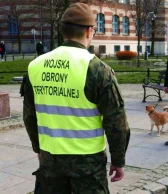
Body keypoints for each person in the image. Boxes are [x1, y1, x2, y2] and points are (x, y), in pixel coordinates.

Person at [21, 3, 130, 193]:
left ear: (63, 31)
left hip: (50, 160)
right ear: (89, 31)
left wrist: (38, 149)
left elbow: (29, 116)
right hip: (88, 165)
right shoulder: (98, 71)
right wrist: (118, 160)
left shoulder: (35, 66)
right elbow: (117, 123)